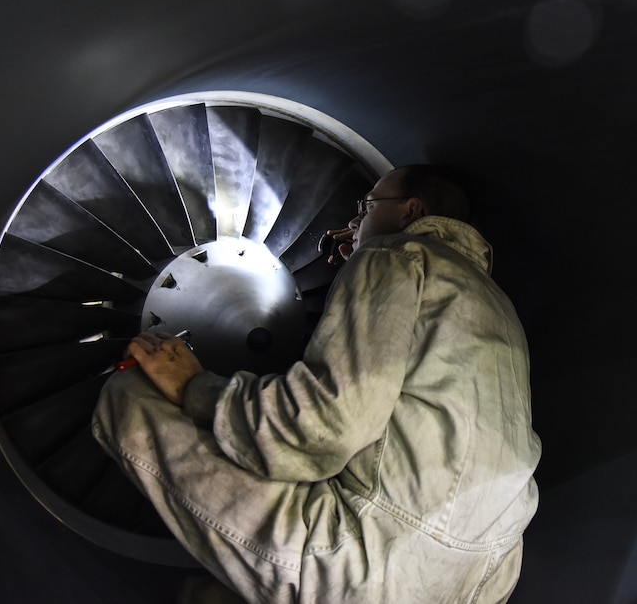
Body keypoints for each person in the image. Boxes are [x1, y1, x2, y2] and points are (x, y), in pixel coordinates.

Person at [92, 164, 542, 603]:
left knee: (128, 396)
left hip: (367, 561)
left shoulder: (394, 257)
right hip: (483, 579)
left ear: (409, 212)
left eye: (366, 205)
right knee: (210, 595)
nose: (354, 221)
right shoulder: (498, 306)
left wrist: (195, 388)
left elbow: (325, 428)